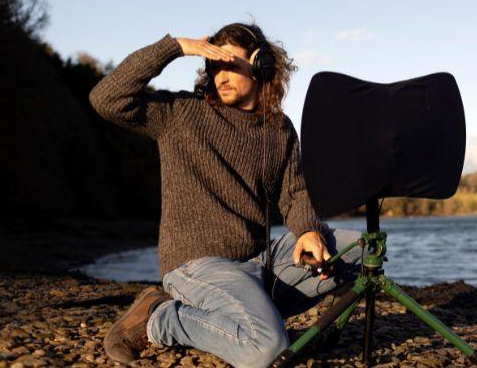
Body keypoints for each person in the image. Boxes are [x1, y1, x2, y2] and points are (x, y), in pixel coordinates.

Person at [88, 23, 362, 367]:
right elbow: (106, 98)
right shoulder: (180, 113)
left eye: (230, 63)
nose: (221, 75)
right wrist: (175, 47)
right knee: (267, 348)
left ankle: (248, 319)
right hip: (197, 264)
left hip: (258, 264)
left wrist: (307, 230)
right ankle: (160, 317)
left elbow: (294, 192)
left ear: (261, 66)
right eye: (214, 66)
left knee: (360, 252)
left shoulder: (278, 128)